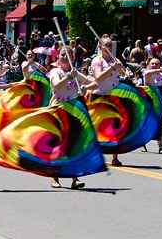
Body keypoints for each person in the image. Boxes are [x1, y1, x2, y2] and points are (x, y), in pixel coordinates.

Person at [48, 48, 92, 189]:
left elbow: (94, 83)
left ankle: (75, 178)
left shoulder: (75, 73)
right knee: (59, 146)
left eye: (68, 55)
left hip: (73, 111)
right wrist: (69, 77)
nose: (65, 57)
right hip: (58, 111)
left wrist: (85, 88)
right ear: (58, 57)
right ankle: (55, 178)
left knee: (73, 145)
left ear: (72, 57)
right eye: (62, 55)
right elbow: (56, 85)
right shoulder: (56, 72)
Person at [90, 35, 127, 166]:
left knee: (115, 127)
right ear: (100, 47)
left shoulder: (114, 59)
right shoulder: (97, 60)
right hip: (99, 96)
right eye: (106, 45)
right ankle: (93, 155)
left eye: (110, 45)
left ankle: (114, 157)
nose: (109, 47)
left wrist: (121, 68)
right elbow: (98, 77)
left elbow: (125, 75)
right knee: (96, 127)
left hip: (113, 97)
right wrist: (112, 68)